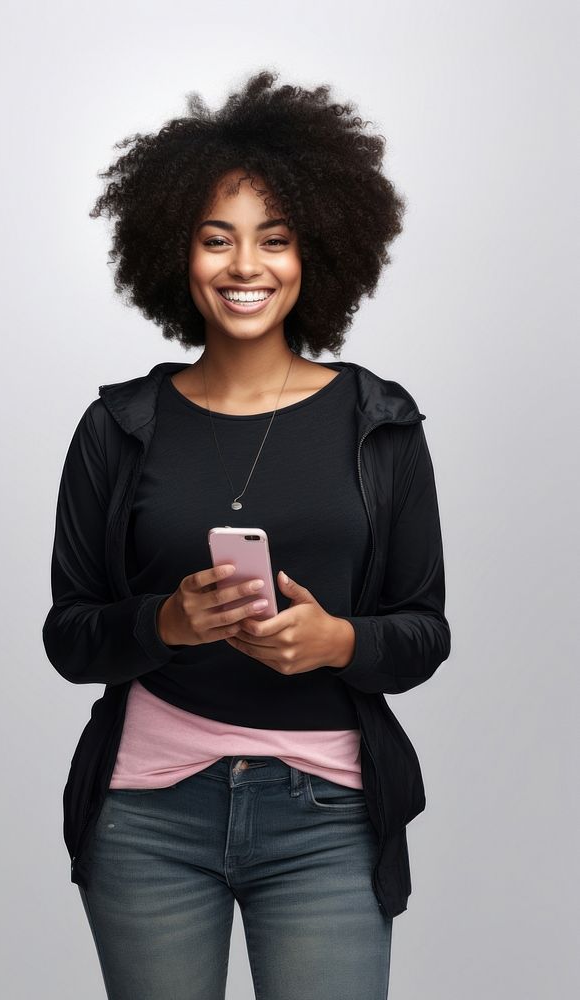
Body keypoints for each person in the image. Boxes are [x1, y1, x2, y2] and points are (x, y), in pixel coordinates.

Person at [42, 69, 451, 1000]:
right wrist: (165, 625)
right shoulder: (120, 424)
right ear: (175, 253)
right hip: (147, 813)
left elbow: (422, 631)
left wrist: (336, 641)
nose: (245, 266)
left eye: (274, 239)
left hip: (327, 817)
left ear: (316, 253)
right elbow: (69, 636)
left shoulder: (376, 422)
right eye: (215, 239)